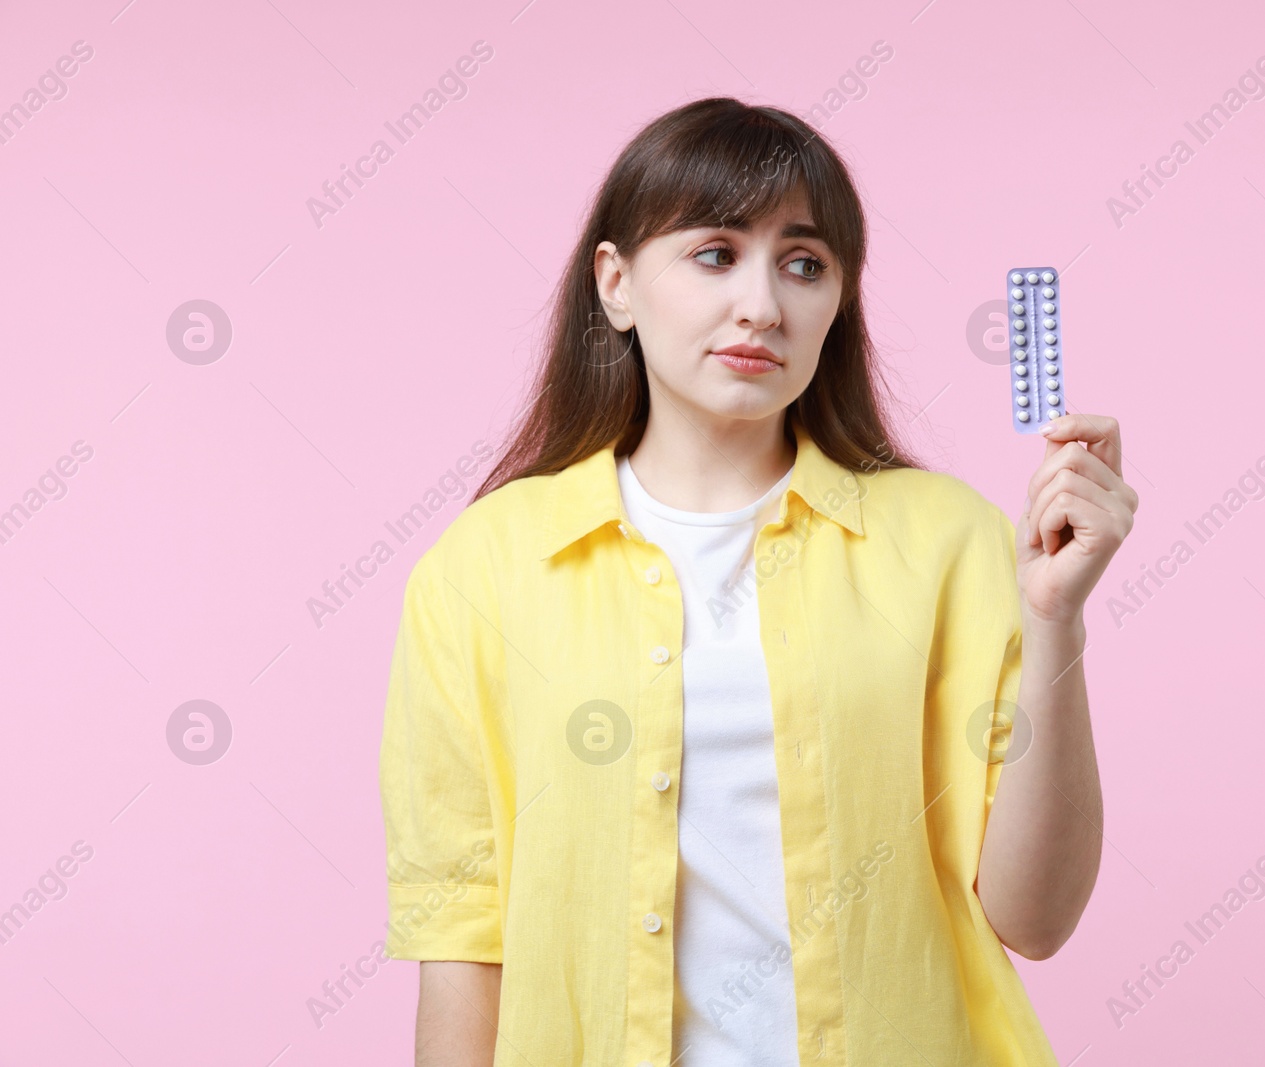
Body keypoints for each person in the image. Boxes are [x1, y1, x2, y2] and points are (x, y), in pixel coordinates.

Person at [378, 96, 1136, 1067]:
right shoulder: (483, 569)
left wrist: (1056, 619)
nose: (763, 304)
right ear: (615, 283)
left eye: (803, 263)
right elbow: (460, 934)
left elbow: (1034, 917)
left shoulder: (951, 541)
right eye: (714, 253)